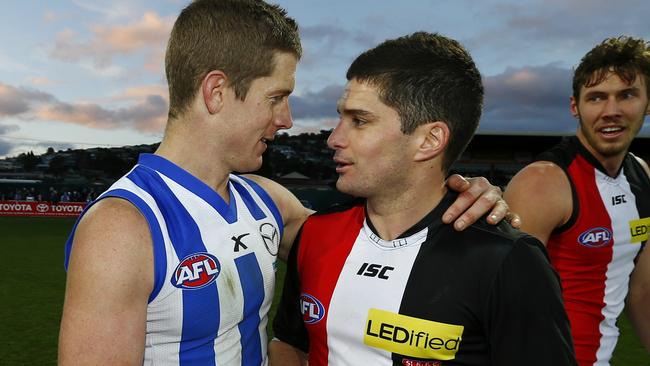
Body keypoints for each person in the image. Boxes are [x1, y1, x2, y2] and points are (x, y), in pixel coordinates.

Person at [57, 1, 513, 365]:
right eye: (275, 97)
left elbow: (367, 247)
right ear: (216, 92)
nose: (286, 119)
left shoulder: (265, 200)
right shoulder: (123, 227)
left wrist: (461, 191)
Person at [270, 32, 576, 366]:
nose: (334, 138)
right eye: (341, 117)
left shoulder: (506, 259)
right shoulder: (316, 233)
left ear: (429, 140)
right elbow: (290, 343)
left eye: (359, 121)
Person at [503, 36, 650, 365]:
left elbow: (642, 292)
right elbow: (503, 305)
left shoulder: (643, 178)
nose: (611, 111)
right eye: (596, 98)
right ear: (575, 107)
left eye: (626, 95)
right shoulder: (542, 183)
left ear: (647, 102)